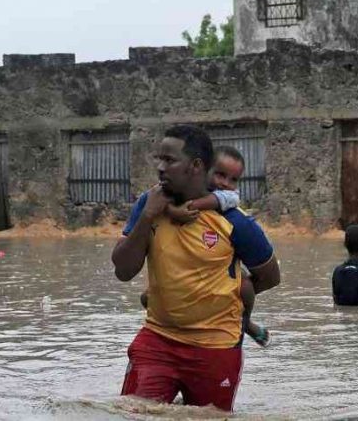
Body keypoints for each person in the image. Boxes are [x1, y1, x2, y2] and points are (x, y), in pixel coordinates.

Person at [112, 125, 280, 412]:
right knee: (132, 414)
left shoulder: (233, 220)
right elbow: (123, 271)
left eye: (170, 160)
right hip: (158, 339)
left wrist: (225, 296)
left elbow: (270, 276)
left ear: (196, 166)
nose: (160, 168)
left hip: (216, 347)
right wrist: (148, 216)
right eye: (159, 159)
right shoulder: (149, 205)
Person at [141, 146, 271, 347]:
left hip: (217, 277)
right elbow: (157, 198)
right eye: (220, 174)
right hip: (175, 279)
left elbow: (217, 199)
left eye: (233, 179)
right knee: (146, 297)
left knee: (244, 284)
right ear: (203, 170)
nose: (226, 183)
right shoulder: (175, 189)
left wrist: (185, 210)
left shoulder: (230, 202)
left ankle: (246, 322)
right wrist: (172, 211)